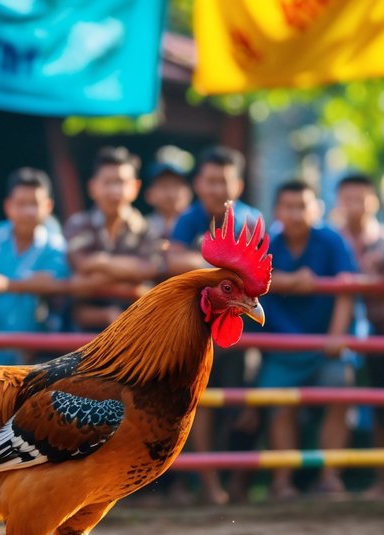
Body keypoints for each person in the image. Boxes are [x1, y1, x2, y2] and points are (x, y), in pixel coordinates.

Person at [167, 146, 264, 504]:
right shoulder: (189, 218)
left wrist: (205, 267)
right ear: (198, 184)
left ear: (237, 185)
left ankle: (239, 484)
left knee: (250, 405)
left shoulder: (252, 221)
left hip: (246, 331)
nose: (215, 188)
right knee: (199, 403)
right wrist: (225, 271)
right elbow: (173, 258)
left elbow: (267, 272)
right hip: (201, 328)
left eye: (222, 181)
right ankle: (208, 484)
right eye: (209, 181)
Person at [257, 180, 359, 498]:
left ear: (317, 209)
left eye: (302, 205)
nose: (296, 213)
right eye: (288, 206)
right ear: (277, 211)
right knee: (276, 406)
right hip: (281, 349)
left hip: (324, 347)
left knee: (340, 393)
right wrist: (289, 280)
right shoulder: (267, 244)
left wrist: (336, 337)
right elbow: (250, 283)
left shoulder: (332, 241)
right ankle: (282, 481)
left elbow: (347, 290)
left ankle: (331, 478)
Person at [333, 173, 384, 494]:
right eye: (347, 199)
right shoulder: (331, 240)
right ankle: (331, 478)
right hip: (338, 332)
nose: (354, 205)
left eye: (360, 198)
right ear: (338, 202)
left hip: (381, 333)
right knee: (335, 400)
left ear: (373, 201)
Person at [0, 168, 69, 365]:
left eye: (35, 204)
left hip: (31, 360)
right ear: (8, 206)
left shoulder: (56, 246)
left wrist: (6, 284)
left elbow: (51, 281)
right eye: (21, 204)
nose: (28, 211)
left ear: (48, 206)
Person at [63, 147, 159, 332]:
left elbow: (149, 268)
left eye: (121, 182)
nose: (115, 190)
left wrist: (99, 261)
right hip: (83, 332)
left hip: (138, 330)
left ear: (135, 187)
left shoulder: (148, 228)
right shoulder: (78, 224)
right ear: (93, 187)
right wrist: (132, 282)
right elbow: (80, 264)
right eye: (107, 182)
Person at [143, 151, 193, 244]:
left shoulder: (203, 225)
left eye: (176, 185)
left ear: (189, 192)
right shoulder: (140, 228)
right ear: (149, 194)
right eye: (163, 186)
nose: (171, 194)